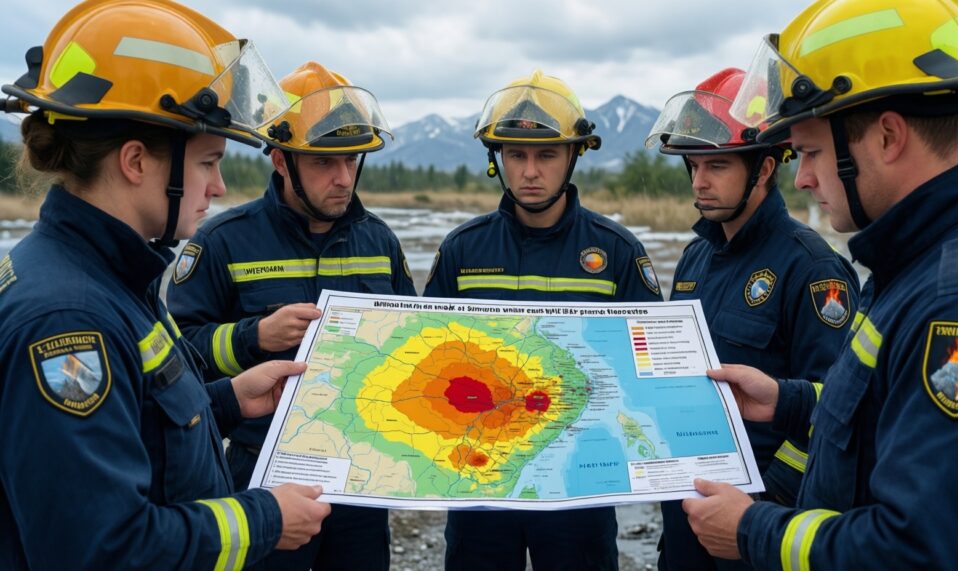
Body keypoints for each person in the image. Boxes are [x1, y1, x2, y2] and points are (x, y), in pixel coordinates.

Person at [680, 0, 958, 568]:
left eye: (811, 151)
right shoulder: (919, 261)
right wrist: (786, 402)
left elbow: (927, 551)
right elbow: (888, 414)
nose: (803, 176)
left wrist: (753, 530)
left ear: (888, 137)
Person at [0, 0, 332, 568]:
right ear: (135, 162)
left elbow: (133, 427)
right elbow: (101, 548)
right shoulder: (69, 320)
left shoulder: (111, 272)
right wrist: (264, 519)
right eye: (207, 162)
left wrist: (228, 400)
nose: (220, 188)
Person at [167, 60, 414, 570]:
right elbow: (179, 355)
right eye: (325, 163)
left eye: (352, 161)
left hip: (362, 469)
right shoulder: (222, 241)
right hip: (262, 471)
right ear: (281, 161)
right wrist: (252, 336)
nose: (344, 178)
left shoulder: (380, 241)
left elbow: (413, 337)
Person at [424, 69, 663, 571]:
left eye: (546, 155)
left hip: (579, 490)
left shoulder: (617, 252)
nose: (530, 171)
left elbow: (652, 364)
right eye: (517, 155)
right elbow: (428, 360)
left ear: (573, 156)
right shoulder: (462, 249)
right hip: (481, 488)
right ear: (499, 159)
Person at [644, 67, 860, 570]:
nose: (699, 182)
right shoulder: (698, 258)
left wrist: (764, 509)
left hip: (758, 526)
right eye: (693, 166)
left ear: (764, 169)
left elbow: (833, 417)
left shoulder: (813, 269)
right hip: (689, 508)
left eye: (716, 166)